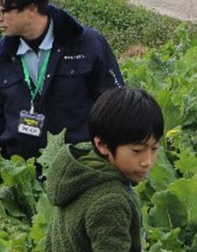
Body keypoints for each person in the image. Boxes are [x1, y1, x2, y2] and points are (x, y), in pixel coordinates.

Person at [0, 0, 123, 161]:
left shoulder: (87, 44)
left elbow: (115, 107)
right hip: (22, 172)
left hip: (78, 166)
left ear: (31, 9)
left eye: (3, 11)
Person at [46, 87, 163, 252]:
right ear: (102, 145)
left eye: (154, 148)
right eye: (137, 151)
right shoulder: (111, 202)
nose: (147, 161)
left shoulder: (81, 170)